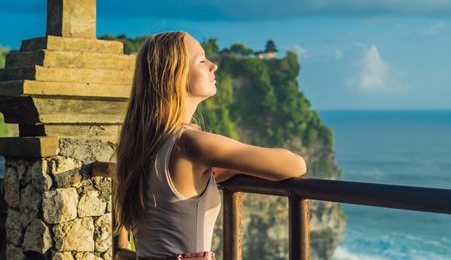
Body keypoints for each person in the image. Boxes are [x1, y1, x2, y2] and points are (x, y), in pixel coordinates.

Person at [112, 31, 307, 260]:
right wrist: (238, 166)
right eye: (202, 60)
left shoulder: (140, 146)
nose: (214, 66)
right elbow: (295, 164)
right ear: (175, 75)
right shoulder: (190, 144)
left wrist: (212, 174)